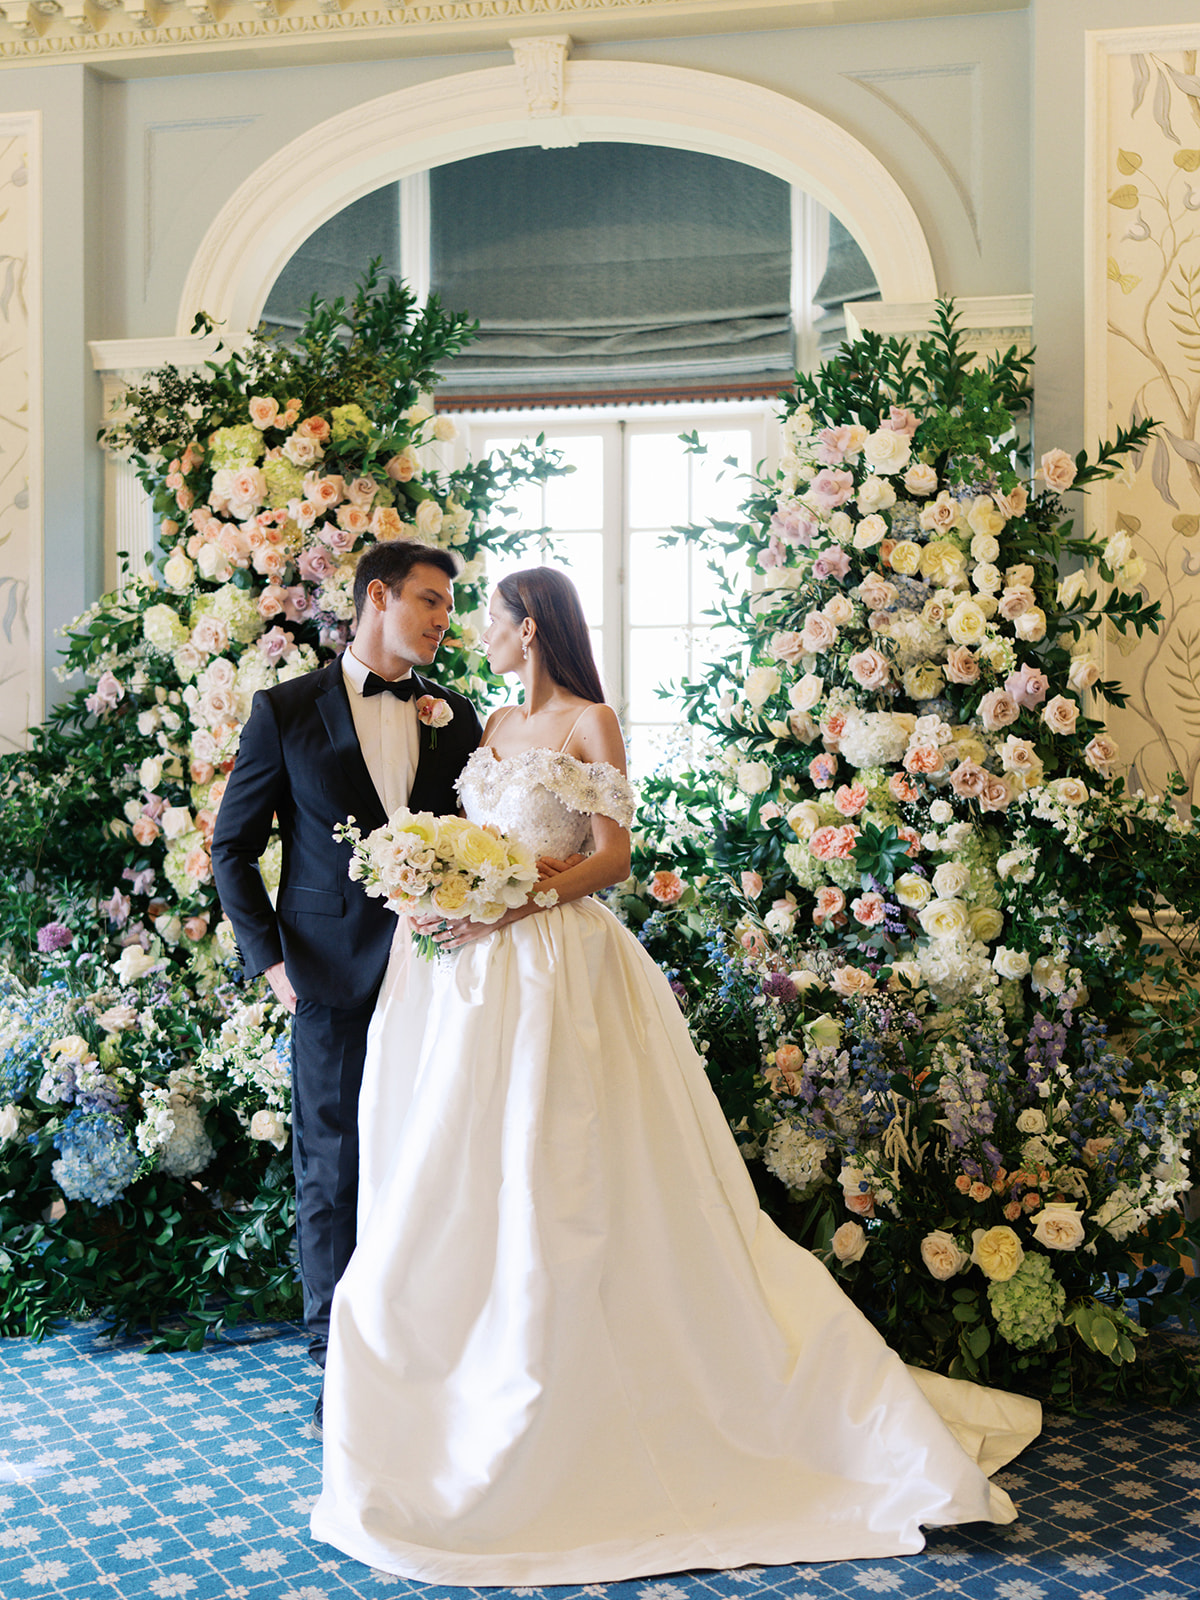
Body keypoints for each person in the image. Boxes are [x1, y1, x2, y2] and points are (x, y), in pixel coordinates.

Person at [309, 566, 1040, 1584]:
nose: (477, 628)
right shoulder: (489, 731)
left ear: (530, 627)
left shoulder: (587, 720)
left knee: (571, 1173)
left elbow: (612, 852)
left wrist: (515, 898)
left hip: (562, 964)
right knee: (469, 1175)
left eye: (492, 617)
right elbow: (470, 840)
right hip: (475, 979)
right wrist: (446, 894)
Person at [211, 540, 482, 1435]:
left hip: (444, 977)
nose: (445, 619)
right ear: (378, 596)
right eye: (431, 601)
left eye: (449, 605)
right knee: (332, 1170)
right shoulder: (285, 711)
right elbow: (232, 848)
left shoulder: (459, 715)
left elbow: (490, 839)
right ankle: (340, 1365)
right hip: (328, 978)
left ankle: (431, 1352)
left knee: (432, 1163)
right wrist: (274, 965)